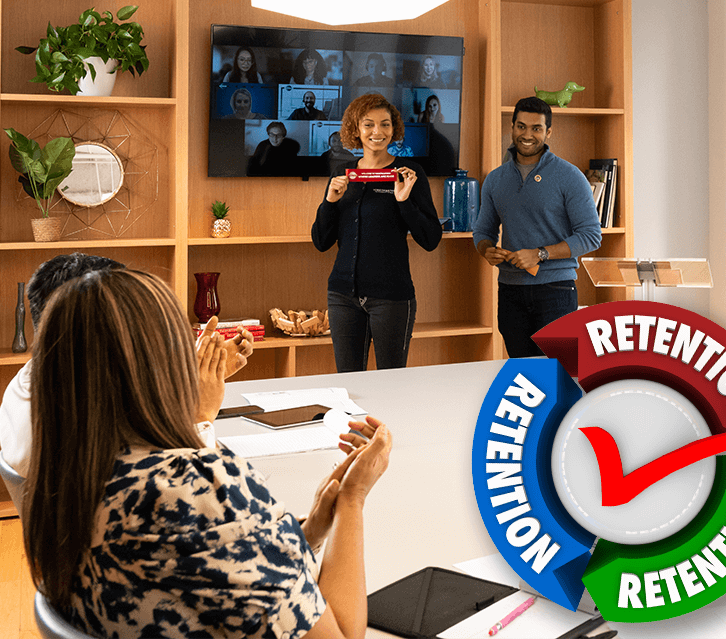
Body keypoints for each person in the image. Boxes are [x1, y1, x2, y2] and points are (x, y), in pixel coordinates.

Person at [22, 267, 392, 638]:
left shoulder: (61, 481)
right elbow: (341, 634)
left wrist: (306, 532)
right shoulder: (201, 487)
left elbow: (205, 570)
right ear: (159, 368)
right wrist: (351, 500)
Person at [0, 253, 254, 478]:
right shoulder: (85, 436)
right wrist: (201, 416)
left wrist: (196, 376)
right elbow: (201, 494)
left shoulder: (30, 386)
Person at [312, 93, 442, 372]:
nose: (377, 132)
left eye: (385, 124)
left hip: (391, 297)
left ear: (394, 129)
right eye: (368, 124)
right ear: (355, 130)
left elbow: (431, 239)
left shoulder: (408, 173)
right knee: (349, 384)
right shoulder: (342, 172)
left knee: (391, 384)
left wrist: (404, 201)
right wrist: (330, 202)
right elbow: (321, 241)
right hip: (342, 296)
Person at [473, 96, 602, 358]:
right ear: (512, 128)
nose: (527, 135)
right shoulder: (495, 179)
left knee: (558, 374)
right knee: (522, 375)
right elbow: (483, 232)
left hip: (556, 290)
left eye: (536, 128)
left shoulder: (570, 176)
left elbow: (591, 236)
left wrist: (540, 253)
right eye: (521, 126)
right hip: (510, 291)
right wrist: (487, 250)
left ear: (548, 132)